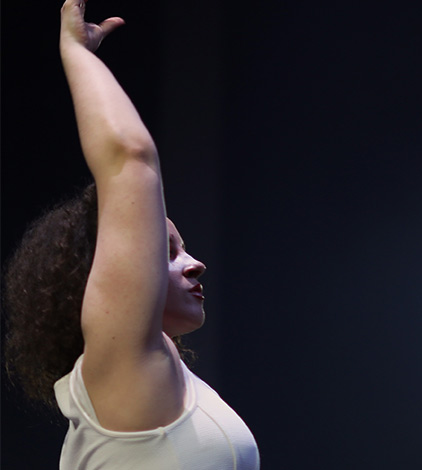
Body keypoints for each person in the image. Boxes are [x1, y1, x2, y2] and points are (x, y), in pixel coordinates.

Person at [2, 1, 258, 468]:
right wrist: (75, 51)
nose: (195, 263)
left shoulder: (165, 378)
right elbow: (129, 159)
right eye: (166, 250)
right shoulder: (125, 366)